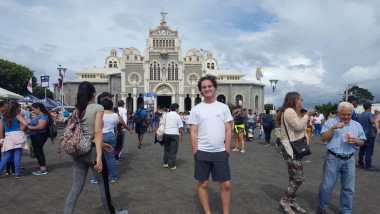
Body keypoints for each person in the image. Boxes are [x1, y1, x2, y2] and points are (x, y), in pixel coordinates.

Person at [64, 81, 127, 214]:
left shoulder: (76, 110)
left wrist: (102, 144)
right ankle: (111, 212)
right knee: (103, 185)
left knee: (76, 188)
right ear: (94, 94)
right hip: (92, 151)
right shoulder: (97, 108)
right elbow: (97, 132)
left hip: (79, 151)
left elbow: (78, 132)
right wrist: (99, 156)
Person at [188, 75, 232, 214]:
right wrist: (196, 151)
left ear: (214, 87)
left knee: (225, 184)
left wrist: (227, 149)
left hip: (220, 152)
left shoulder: (223, 107)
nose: (207, 89)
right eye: (204, 87)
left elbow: (228, 129)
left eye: (209, 86)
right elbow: (193, 132)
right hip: (202, 151)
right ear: (201, 90)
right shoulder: (196, 109)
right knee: (204, 184)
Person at [316, 102, 366, 214]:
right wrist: (333, 128)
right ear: (338, 113)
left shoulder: (356, 125)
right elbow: (323, 138)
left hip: (349, 159)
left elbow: (362, 141)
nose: (346, 117)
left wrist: (357, 141)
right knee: (327, 186)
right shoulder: (330, 123)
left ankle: (345, 211)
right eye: (344, 114)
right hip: (333, 158)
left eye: (349, 114)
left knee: (349, 188)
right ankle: (321, 207)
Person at [275, 92, 314, 214]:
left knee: (293, 176)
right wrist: (307, 115)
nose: (302, 100)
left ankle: (292, 201)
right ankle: (285, 200)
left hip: (292, 148)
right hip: (291, 148)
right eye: (300, 98)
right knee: (299, 177)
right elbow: (298, 126)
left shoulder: (290, 111)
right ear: (294, 100)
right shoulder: (289, 111)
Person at [90, 97, 120, 184]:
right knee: (111, 157)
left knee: (98, 157)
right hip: (111, 135)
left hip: (100, 136)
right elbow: (115, 125)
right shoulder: (115, 115)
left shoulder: (99, 114)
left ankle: (96, 177)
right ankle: (113, 177)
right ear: (111, 106)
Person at [0, 101, 29, 178]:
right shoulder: (17, 115)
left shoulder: (3, 116)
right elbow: (25, 123)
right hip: (17, 135)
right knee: (17, 153)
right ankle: (17, 172)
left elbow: (1, 129)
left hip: (8, 135)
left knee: (7, 155)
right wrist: (21, 129)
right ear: (16, 108)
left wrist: (1, 139)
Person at [28, 102, 52, 175]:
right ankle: (40, 166)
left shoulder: (43, 116)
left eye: (34, 109)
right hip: (35, 136)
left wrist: (29, 127)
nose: (33, 111)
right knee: (37, 151)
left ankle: (43, 168)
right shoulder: (39, 116)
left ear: (38, 108)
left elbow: (40, 126)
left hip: (39, 136)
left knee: (38, 152)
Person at [356, 103, 377, 171]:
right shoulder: (369, 114)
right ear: (370, 107)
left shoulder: (360, 115)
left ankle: (361, 163)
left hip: (361, 135)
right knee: (369, 151)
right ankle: (368, 165)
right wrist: (376, 120)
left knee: (361, 150)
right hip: (369, 135)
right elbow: (372, 121)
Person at [163, 103, 184, 169]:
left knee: (166, 148)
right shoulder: (177, 116)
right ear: (176, 109)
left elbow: (162, 122)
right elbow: (180, 127)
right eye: (178, 108)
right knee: (173, 149)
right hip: (174, 134)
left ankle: (166, 163)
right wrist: (182, 135)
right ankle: (171, 164)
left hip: (166, 133)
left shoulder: (166, 114)